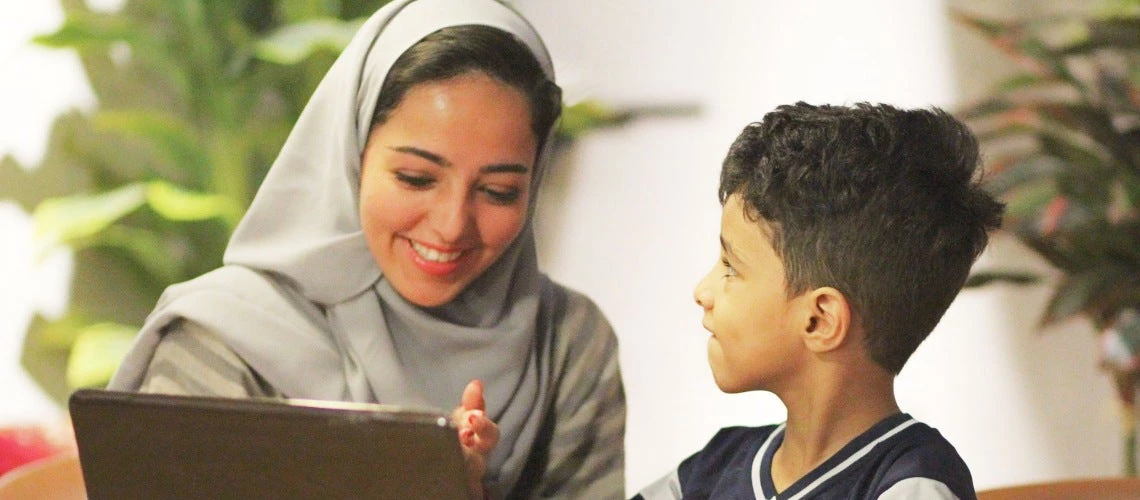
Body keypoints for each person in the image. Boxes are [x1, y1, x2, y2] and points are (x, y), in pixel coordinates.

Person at [107, 1, 626, 498]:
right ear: (352, 153)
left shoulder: (566, 346)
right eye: (416, 178)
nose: (451, 226)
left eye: (498, 192)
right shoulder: (223, 340)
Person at [633, 102, 1003, 499]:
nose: (703, 292)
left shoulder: (912, 484)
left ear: (819, 320)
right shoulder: (712, 469)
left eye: (731, 268)